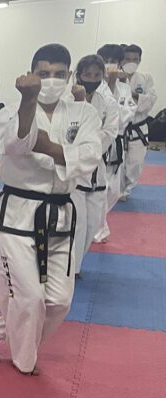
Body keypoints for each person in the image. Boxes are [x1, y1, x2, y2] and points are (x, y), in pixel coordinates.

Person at [0, 44, 101, 375]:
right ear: (31, 74)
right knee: (30, 298)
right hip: (16, 212)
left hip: (60, 214)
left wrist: (47, 147)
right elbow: (14, 145)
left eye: (59, 74)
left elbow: (90, 156)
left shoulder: (84, 113)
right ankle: (24, 363)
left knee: (58, 301)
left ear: (70, 76)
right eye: (43, 73)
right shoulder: (9, 111)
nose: (51, 79)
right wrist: (29, 101)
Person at [70, 55, 120, 275]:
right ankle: (72, 269)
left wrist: (90, 143)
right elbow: (67, 132)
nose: (92, 78)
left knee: (93, 224)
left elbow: (110, 132)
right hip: (74, 169)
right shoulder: (68, 99)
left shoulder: (107, 102)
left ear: (102, 76)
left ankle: (76, 263)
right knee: (77, 224)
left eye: (96, 75)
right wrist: (80, 103)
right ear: (79, 75)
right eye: (87, 74)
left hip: (97, 168)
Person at [94, 44, 137, 241]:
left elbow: (124, 118)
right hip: (97, 141)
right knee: (98, 187)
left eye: (113, 61)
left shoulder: (125, 89)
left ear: (120, 63)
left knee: (113, 190)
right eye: (105, 60)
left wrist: (113, 87)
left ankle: (99, 223)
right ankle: (98, 228)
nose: (109, 65)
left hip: (116, 142)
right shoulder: (93, 86)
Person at [121, 44, 157, 202]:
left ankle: (127, 189)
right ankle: (117, 190)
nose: (131, 62)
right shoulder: (116, 78)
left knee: (135, 162)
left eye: (135, 59)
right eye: (127, 59)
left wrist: (131, 94)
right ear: (122, 60)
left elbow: (150, 100)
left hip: (138, 128)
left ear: (140, 60)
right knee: (118, 162)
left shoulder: (145, 78)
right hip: (121, 128)